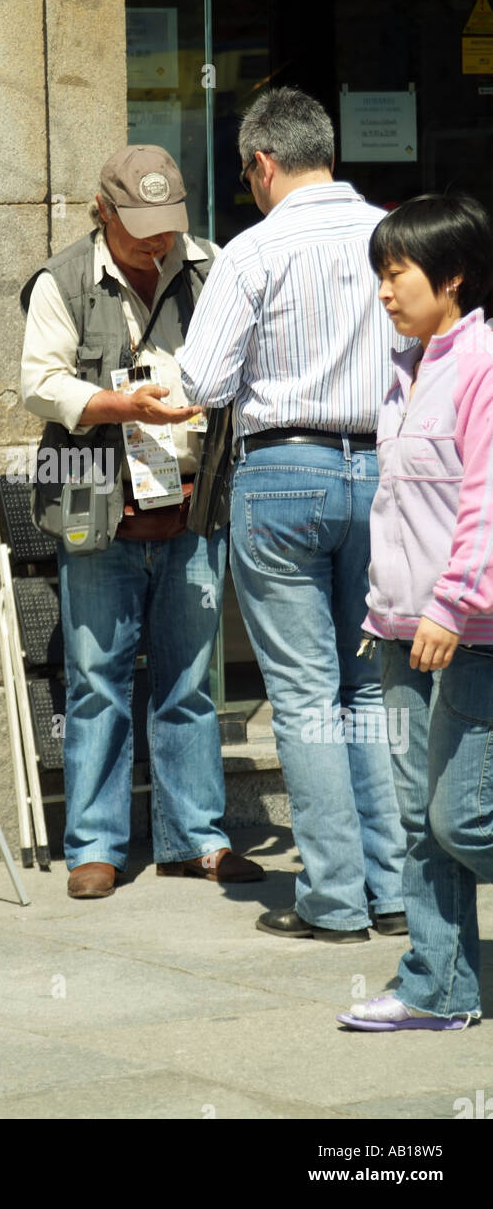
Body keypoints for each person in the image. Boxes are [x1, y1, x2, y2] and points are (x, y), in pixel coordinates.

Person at [178, 87, 406, 941]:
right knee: (367, 688)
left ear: (263, 165)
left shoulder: (252, 251)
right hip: (383, 470)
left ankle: (334, 899)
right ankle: (390, 894)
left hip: (284, 475)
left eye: (248, 174)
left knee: (307, 696)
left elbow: (201, 382)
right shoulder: (393, 234)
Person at [20, 144, 264, 898]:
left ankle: (198, 837)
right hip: (98, 502)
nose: (156, 243)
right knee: (97, 680)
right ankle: (95, 843)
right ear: (102, 211)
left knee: (190, 681)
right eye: (138, 229)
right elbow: (40, 383)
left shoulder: (211, 266)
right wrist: (121, 405)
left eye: (166, 226)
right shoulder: (62, 280)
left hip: (191, 502)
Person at [337, 193, 493, 1031]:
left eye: (397, 275)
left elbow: (485, 504)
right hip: (399, 633)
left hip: (468, 635)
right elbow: (399, 513)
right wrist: (383, 612)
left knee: (461, 815)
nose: (386, 293)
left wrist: (451, 604)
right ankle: (439, 989)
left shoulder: (483, 367)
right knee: (414, 821)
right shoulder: (404, 374)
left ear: (453, 275)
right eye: (381, 277)